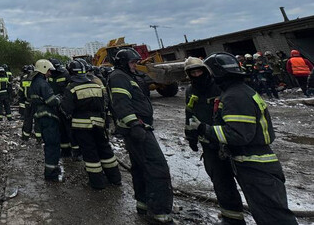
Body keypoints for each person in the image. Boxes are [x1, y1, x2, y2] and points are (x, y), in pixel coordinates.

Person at [189, 52, 297, 224]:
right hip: (255, 161)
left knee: (272, 215)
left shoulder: (234, 97)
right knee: (267, 211)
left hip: (255, 164)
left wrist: (204, 129)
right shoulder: (240, 91)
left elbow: (238, 134)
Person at [108, 48, 173, 224]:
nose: (135, 65)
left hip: (139, 127)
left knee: (140, 167)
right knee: (157, 167)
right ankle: (160, 212)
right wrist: (134, 124)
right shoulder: (119, 77)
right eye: (132, 62)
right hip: (137, 129)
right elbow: (121, 104)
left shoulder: (128, 76)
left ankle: (143, 204)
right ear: (123, 63)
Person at [183, 57, 245, 224]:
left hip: (231, 143)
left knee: (247, 181)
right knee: (221, 182)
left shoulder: (219, 87)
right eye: (193, 72)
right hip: (209, 145)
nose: (197, 74)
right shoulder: (190, 90)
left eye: (199, 71)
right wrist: (191, 137)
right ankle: (232, 218)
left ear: (206, 70)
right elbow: (190, 115)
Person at [61, 60, 121, 189]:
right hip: (99, 123)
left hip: (82, 126)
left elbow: (66, 109)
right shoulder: (95, 85)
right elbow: (104, 105)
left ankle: (97, 183)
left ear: (71, 72)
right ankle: (115, 179)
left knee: (90, 153)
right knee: (105, 149)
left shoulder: (71, 88)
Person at [29, 59, 62, 181]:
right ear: (43, 69)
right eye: (48, 71)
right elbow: (50, 101)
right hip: (48, 117)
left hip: (40, 116)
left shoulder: (34, 83)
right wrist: (59, 99)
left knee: (49, 144)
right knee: (52, 144)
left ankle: (52, 169)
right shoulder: (43, 84)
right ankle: (51, 174)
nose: (50, 73)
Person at [47, 58, 72, 157]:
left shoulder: (65, 74)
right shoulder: (49, 76)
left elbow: (70, 90)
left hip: (65, 105)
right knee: (60, 129)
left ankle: (76, 150)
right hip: (55, 106)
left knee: (69, 128)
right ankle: (65, 151)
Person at [19, 65, 34, 140]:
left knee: (27, 120)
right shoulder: (36, 80)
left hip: (28, 102)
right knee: (38, 121)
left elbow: (21, 93)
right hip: (36, 103)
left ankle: (25, 136)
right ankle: (39, 138)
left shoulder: (24, 80)